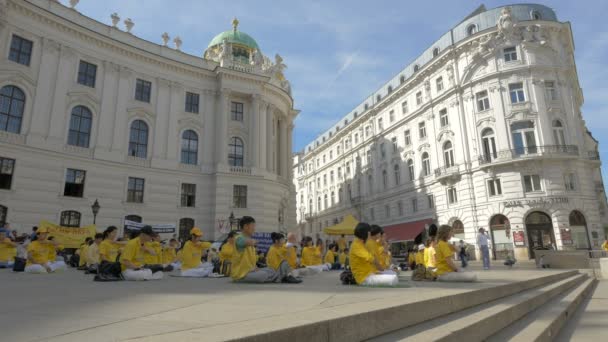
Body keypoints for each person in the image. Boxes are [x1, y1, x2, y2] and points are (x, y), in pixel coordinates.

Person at [230, 216, 300, 283]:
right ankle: (282, 276)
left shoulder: (249, 241)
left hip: (251, 271)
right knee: (262, 275)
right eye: (253, 226)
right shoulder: (238, 238)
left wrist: (254, 267)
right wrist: (252, 242)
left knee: (270, 270)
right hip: (241, 274)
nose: (254, 229)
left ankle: (282, 276)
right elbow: (243, 242)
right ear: (245, 226)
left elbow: (249, 260)